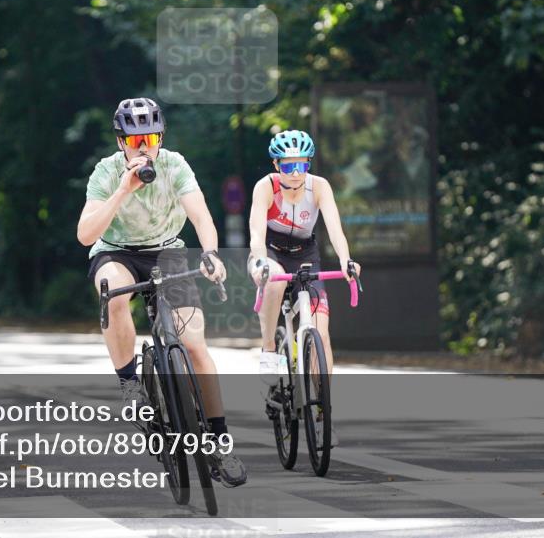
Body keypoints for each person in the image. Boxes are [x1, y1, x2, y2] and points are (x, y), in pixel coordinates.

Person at [77, 97, 247, 487]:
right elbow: (86, 234)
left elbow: (200, 213)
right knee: (113, 290)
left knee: (194, 344)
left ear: (161, 138)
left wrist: (209, 253)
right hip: (116, 251)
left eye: (150, 138)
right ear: (121, 142)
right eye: (134, 140)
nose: (143, 147)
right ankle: (129, 382)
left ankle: (219, 440)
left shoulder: (174, 165)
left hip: (168, 248)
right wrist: (123, 190)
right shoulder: (105, 173)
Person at [247, 129, 361, 446]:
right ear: (276, 165)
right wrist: (258, 262)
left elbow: (335, 229)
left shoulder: (319, 186)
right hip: (270, 252)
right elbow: (256, 232)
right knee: (272, 279)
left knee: (320, 333)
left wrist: (346, 261)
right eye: (287, 166)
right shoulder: (265, 188)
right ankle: (269, 348)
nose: (295, 174)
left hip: (306, 254)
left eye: (301, 165)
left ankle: (324, 412)